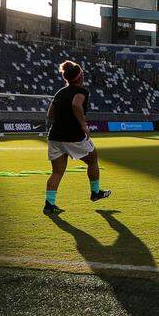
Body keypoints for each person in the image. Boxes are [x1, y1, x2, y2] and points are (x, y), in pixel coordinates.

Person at [43, 60, 110, 216]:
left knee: (57, 172)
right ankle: (95, 192)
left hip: (55, 136)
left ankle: (49, 205)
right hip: (73, 136)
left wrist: (61, 122)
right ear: (80, 77)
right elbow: (75, 104)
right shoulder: (81, 91)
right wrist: (83, 125)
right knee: (93, 159)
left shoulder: (59, 92)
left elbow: (49, 114)